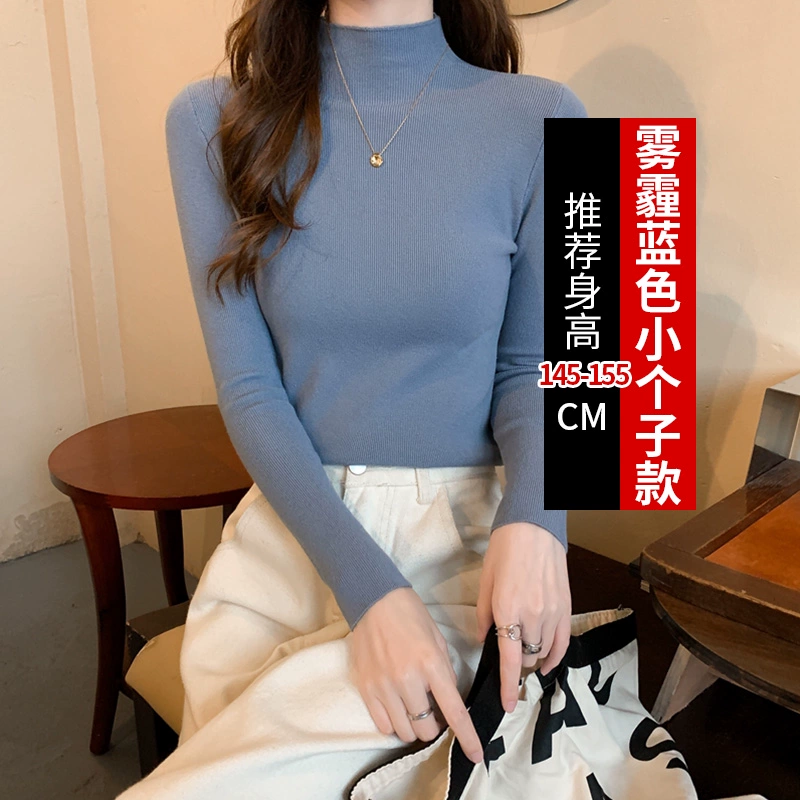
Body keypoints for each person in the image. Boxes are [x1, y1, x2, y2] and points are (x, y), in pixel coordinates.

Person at [117, 1, 588, 797]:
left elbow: (552, 366)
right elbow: (249, 389)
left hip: (470, 549)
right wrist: (370, 593)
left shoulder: (552, 116)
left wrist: (542, 521)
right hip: (297, 541)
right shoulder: (207, 120)